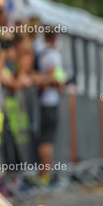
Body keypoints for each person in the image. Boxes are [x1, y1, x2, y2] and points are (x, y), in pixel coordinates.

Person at [35, 30, 65, 185]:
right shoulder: (52, 55)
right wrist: (61, 84)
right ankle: (45, 177)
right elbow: (54, 78)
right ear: (55, 38)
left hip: (43, 101)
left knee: (45, 138)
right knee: (47, 139)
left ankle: (44, 176)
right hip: (48, 101)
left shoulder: (40, 51)